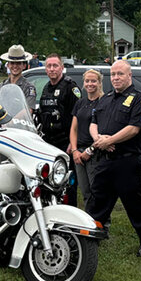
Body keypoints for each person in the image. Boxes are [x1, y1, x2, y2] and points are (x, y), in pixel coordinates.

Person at [88, 60, 141, 256]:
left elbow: (134, 128)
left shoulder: (139, 99)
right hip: (105, 160)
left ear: (129, 76)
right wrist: (98, 140)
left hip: (126, 161)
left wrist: (111, 141)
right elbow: (93, 122)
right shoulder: (106, 98)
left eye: (120, 74)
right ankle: (90, 238)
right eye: (113, 74)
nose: (116, 78)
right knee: (97, 201)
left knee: (136, 205)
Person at [38, 54, 81, 204]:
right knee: (51, 180)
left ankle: (71, 213)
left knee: (67, 182)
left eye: (55, 65)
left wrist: (72, 142)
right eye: (49, 66)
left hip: (66, 143)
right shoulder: (46, 88)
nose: (52, 69)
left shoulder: (70, 87)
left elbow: (78, 117)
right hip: (49, 143)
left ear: (62, 67)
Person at [69, 69, 103, 212]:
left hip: (96, 152)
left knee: (98, 191)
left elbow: (105, 131)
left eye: (93, 81)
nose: (90, 84)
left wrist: (90, 150)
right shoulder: (80, 103)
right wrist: (75, 150)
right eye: (87, 81)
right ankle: (89, 223)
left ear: (100, 83)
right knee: (85, 191)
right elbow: (73, 129)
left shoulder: (104, 102)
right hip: (79, 153)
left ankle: (102, 224)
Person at [0, 44, 37, 111]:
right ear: (8, 65)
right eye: (12, 63)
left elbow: (28, 110)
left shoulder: (28, 87)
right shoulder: (1, 86)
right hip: (3, 121)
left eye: (18, 63)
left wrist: (11, 121)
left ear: (24, 66)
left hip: (19, 121)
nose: (15, 66)